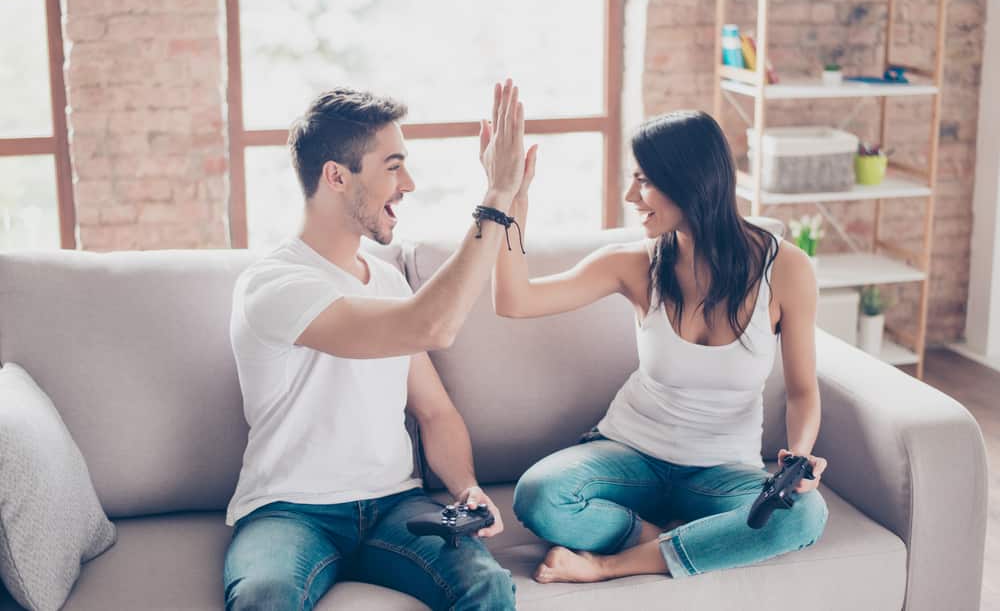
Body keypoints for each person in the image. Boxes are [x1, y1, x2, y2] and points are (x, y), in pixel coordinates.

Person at [223, 80, 534, 610]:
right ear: (337, 176)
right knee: (265, 597)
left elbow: (434, 412)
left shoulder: (389, 283)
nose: (408, 183)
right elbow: (431, 325)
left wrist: (466, 488)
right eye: (393, 166)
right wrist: (496, 195)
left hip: (395, 506)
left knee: (487, 585)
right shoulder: (275, 286)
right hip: (289, 511)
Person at [495, 110, 829, 583]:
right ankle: (677, 539)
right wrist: (512, 198)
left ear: (691, 181)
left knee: (804, 514)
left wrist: (797, 457)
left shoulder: (787, 270)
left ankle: (609, 566)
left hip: (722, 471)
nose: (632, 197)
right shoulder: (636, 263)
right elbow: (515, 301)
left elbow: (802, 390)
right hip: (631, 455)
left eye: (644, 181)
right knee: (539, 495)